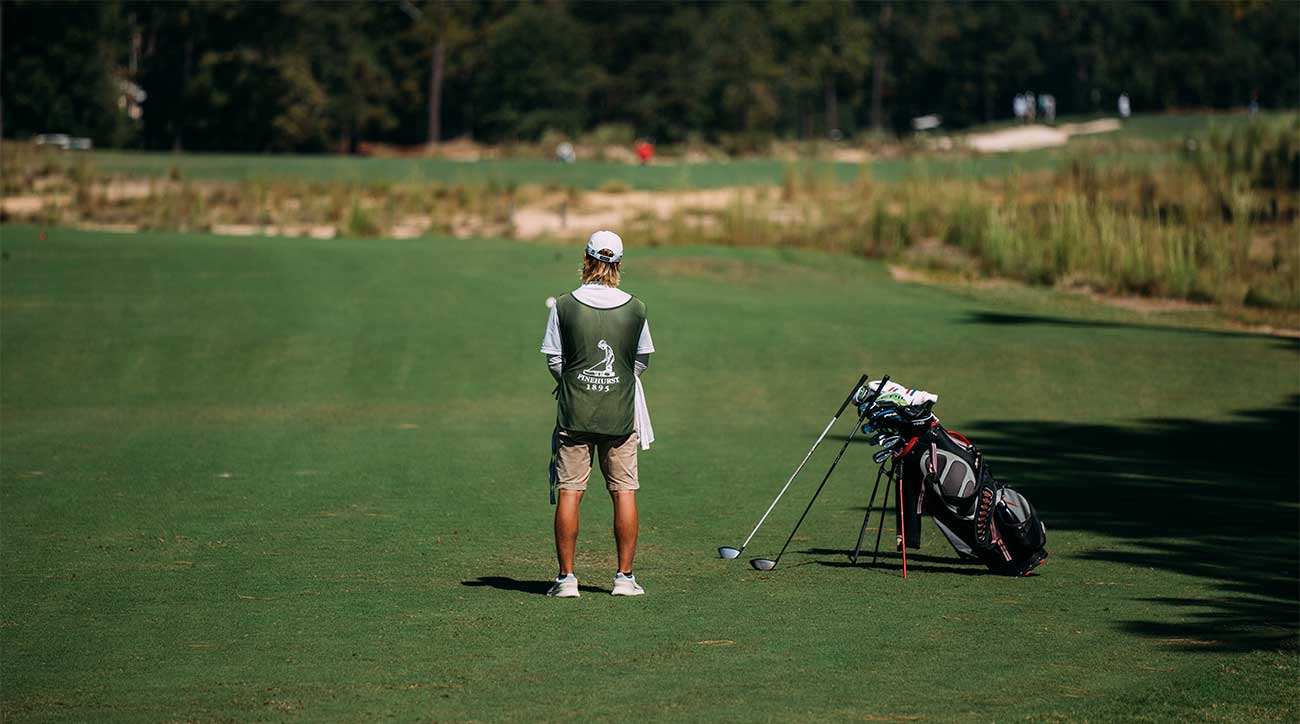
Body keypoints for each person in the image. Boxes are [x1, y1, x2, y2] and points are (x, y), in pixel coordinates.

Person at [540, 230, 655, 597]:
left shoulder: (563, 304)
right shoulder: (636, 307)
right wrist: (613, 384)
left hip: (575, 412)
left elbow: (555, 360)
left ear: (586, 259)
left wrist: (579, 384)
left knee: (570, 492)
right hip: (620, 414)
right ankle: (624, 578)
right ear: (618, 264)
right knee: (624, 492)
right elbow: (640, 361)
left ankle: (566, 580)